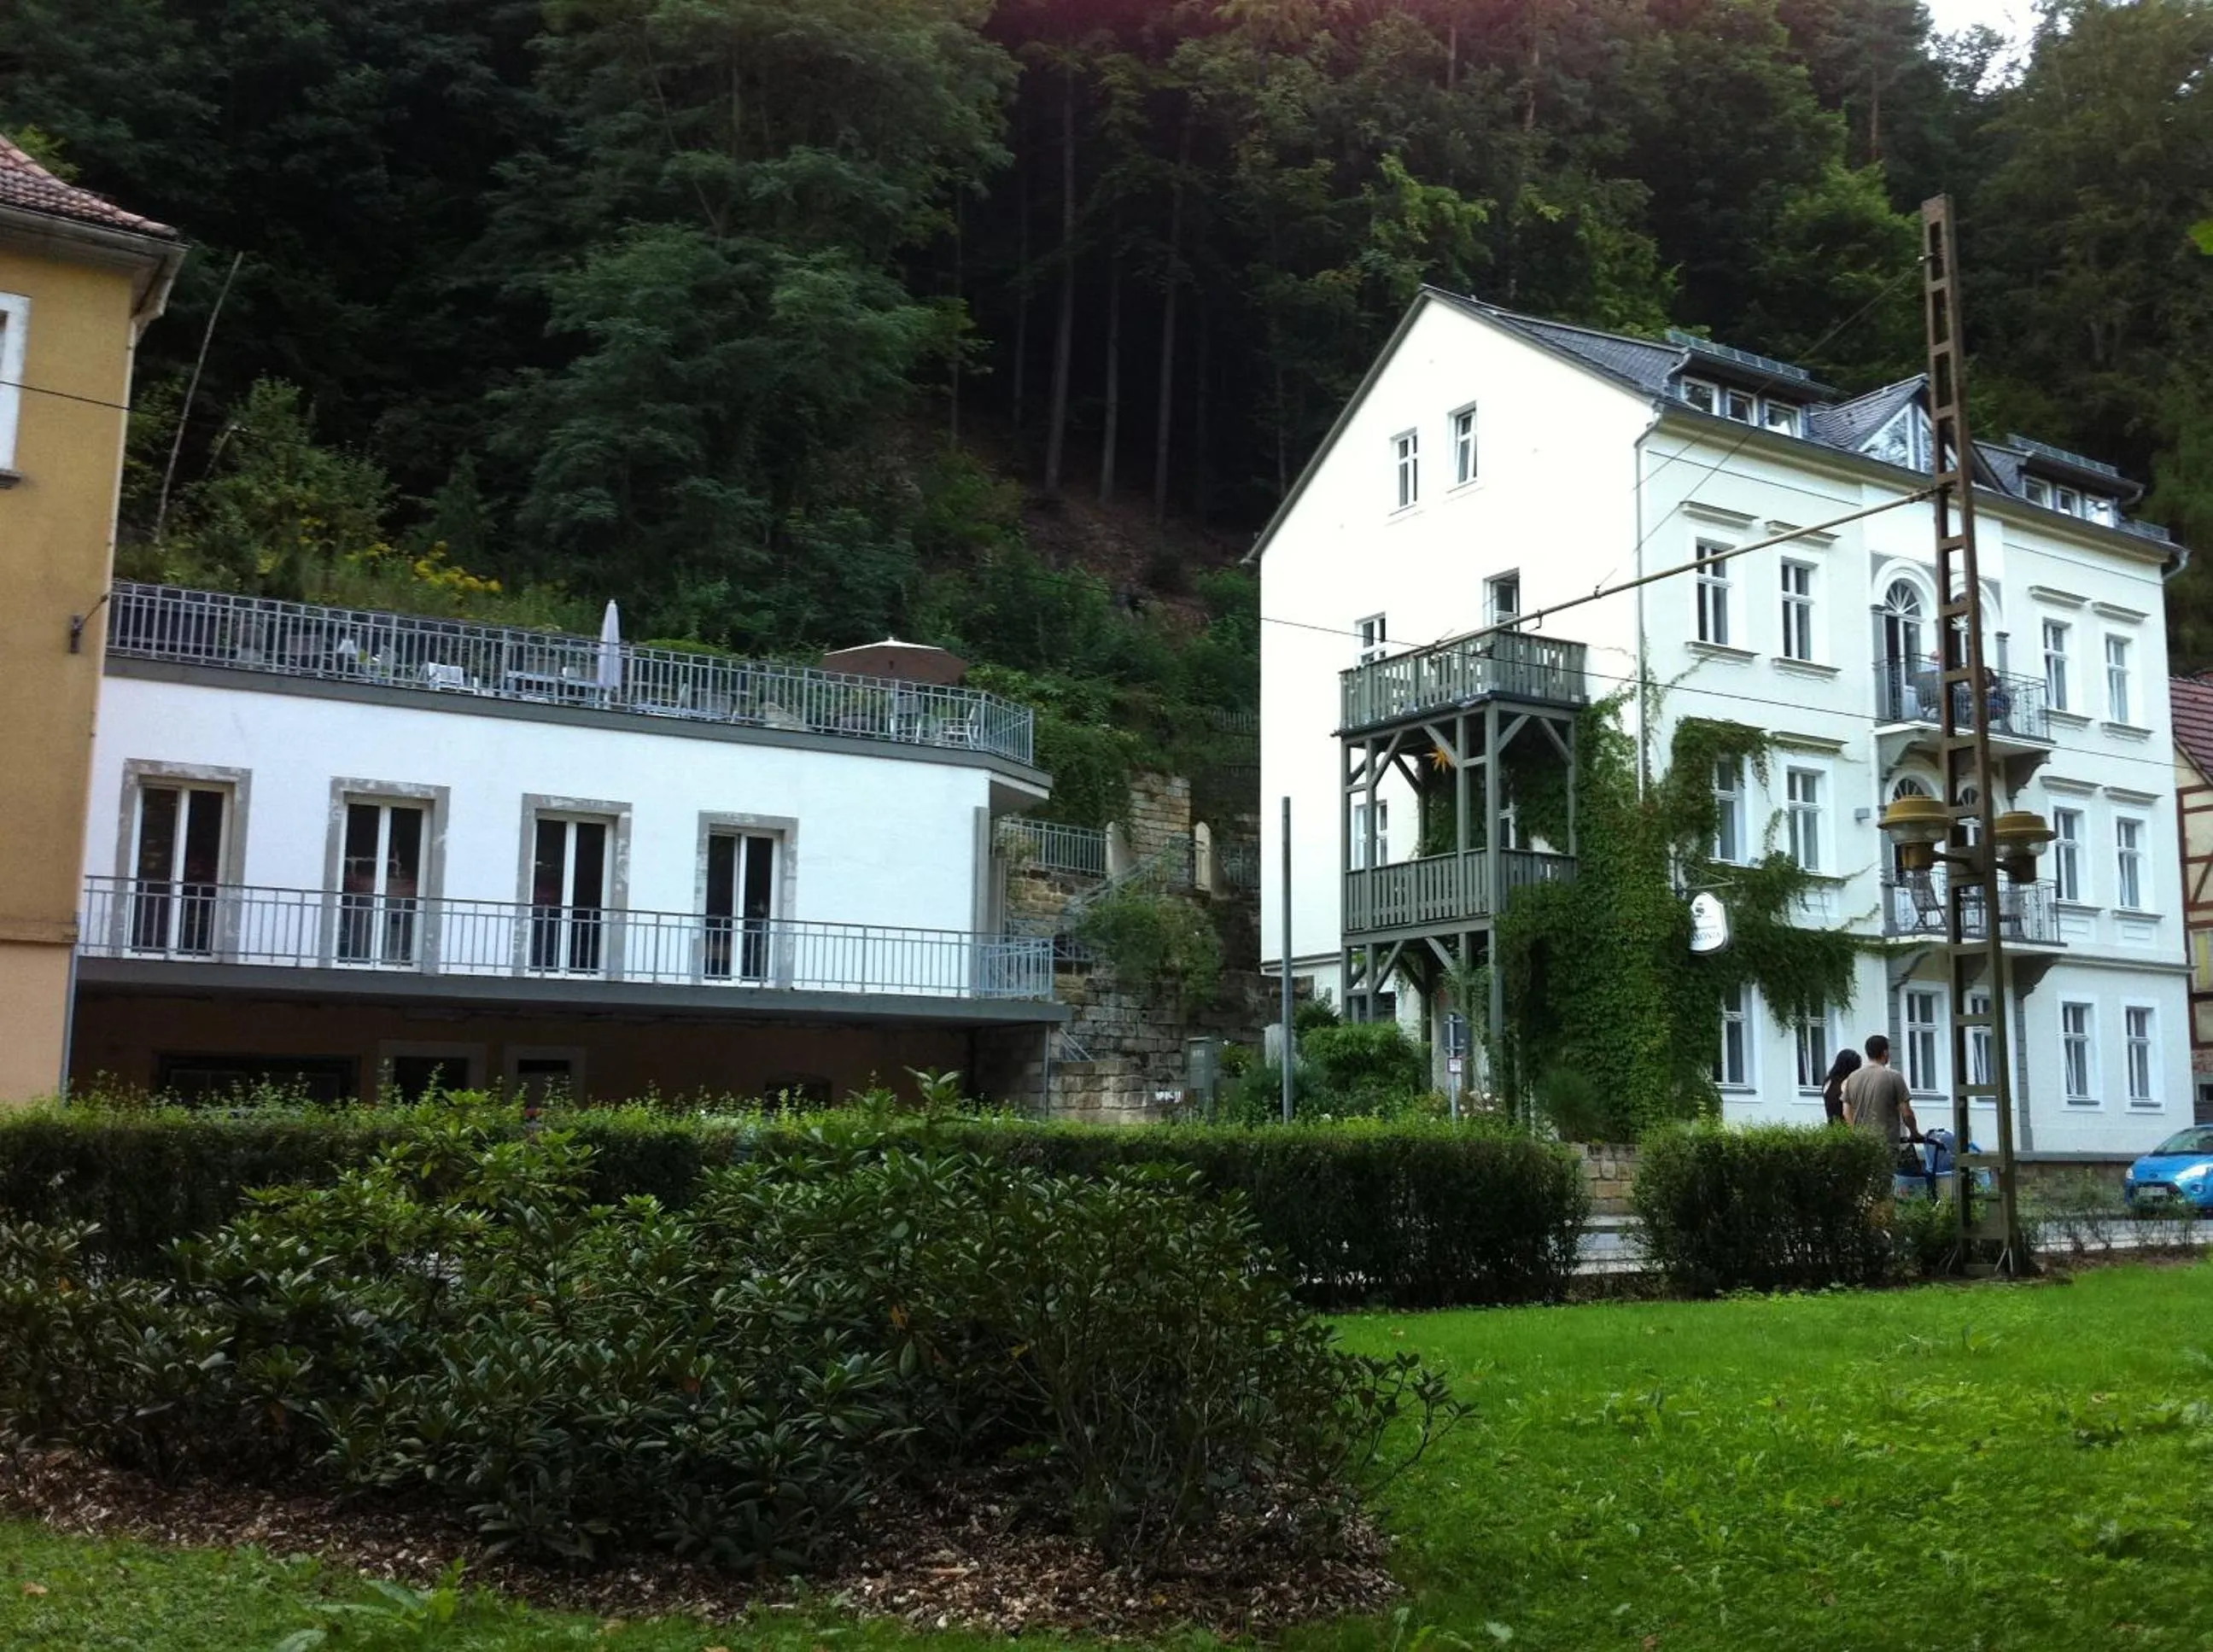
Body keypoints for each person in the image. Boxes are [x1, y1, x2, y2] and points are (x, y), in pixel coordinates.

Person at [1842, 1033, 1920, 1170]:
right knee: (1884, 1183)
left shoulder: (1852, 1078)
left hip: (1862, 1144)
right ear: (1885, 1052)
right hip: (1886, 1143)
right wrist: (1914, 1132)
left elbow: (1846, 1112)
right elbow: (1907, 1113)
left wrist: (1855, 1133)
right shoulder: (1893, 1077)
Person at [1819, 1048, 1862, 1125]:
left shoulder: (1828, 1081)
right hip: (1845, 1129)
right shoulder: (1847, 1083)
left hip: (1831, 1128)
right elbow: (1847, 1113)